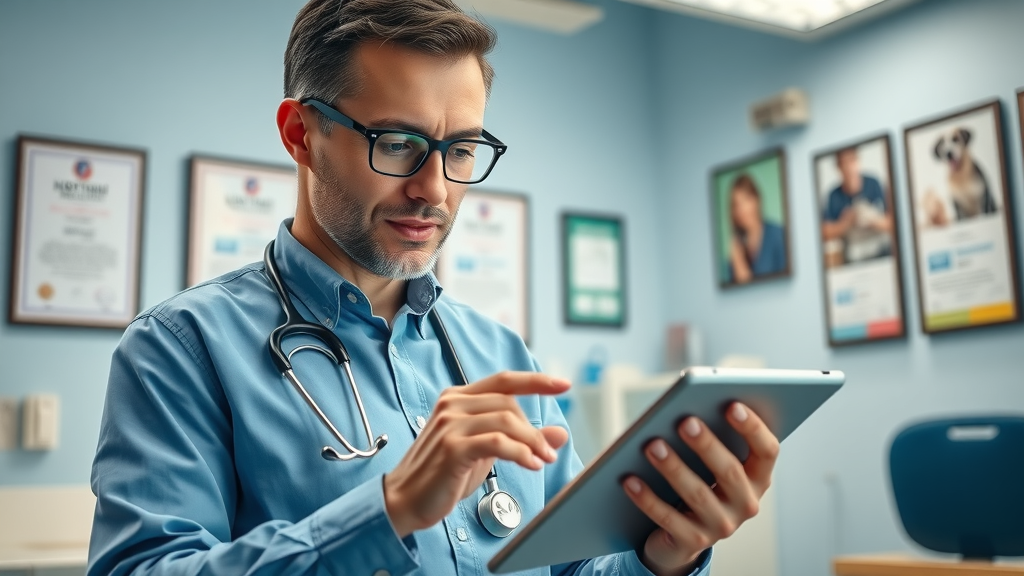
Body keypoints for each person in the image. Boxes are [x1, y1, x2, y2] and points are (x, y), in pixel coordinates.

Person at [88, 1, 780, 575]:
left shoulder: (502, 353)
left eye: (460, 150)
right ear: (301, 135)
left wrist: (664, 555)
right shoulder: (181, 348)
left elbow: (574, 568)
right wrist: (386, 512)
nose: (435, 189)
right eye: (396, 143)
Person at [821, 147, 894, 264]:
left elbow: (894, 223)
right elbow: (824, 232)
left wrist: (872, 220)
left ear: (858, 161)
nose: (849, 167)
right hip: (853, 258)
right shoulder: (833, 195)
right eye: (844, 163)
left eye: (852, 161)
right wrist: (845, 223)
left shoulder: (874, 183)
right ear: (838, 167)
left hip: (882, 252)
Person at [727, 174, 787, 284]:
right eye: (736, 205)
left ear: (757, 200)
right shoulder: (736, 248)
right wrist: (737, 260)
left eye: (746, 200)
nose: (741, 210)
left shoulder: (778, 235)